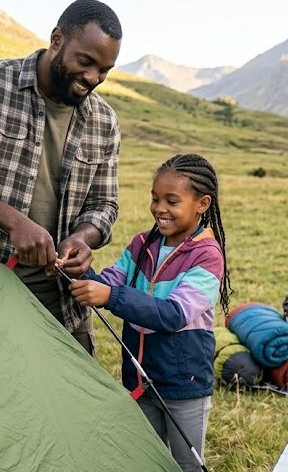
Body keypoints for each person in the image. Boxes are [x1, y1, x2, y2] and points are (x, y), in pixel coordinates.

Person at [0, 0, 123, 355]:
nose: (93, 78)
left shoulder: (104, 121)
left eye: (104, 70)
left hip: (62, 303)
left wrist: (82, 237)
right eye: (85, 62)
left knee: (66, 390)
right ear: (57, 40)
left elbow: (104, 205)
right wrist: (15, 222)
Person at [68, 153, 231, 472]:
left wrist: (110, 296)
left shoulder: (207, 256)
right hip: (139, 379)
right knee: (146, 459)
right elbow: (108, 282)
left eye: (172, 201)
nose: (160, 208)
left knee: (186, 463)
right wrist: (78, 269)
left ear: (202, 204)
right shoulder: (142, 244)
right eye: (155, 199)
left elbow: (173, 314)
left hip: (184, 384)